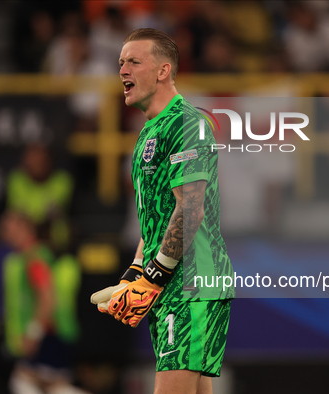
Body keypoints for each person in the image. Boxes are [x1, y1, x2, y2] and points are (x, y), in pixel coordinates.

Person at [90, 28, 233, 394]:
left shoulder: (185, 123)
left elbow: (191, 209)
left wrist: (153, 276)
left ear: (163, 71)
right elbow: (155, 221)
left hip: (192, 282)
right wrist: (134, 275)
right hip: (176, 282)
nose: (122, 70)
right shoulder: (148, 133)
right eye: (120, 62)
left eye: (134, 62)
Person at [1, 211, 85, 394]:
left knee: (30, 383)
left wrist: (33, 333)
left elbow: (48, 298)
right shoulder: (26, 257)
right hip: (45, 335)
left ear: (26, 228)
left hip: (47, 335)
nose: (5, 233)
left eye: (9, 228)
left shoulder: (34, 257)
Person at [6, 144, 73, 253]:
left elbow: (51, 212)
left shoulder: (62, 180)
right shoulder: (16, 179)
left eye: (40, 160)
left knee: (56, 223)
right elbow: (17, 210)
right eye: (32, 160)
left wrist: (32, 217)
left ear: (48, 161)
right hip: (25, 234)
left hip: (51, 235)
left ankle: (46, 257)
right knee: (11, 221)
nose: (35, 164)